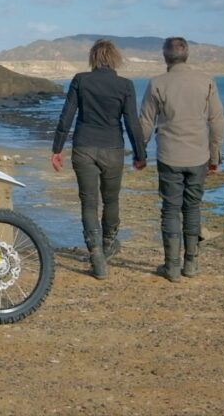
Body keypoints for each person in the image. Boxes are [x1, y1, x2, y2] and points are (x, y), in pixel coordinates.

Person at [51, 39, 146, 280]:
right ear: (115, 59)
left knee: (89, 202)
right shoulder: (125, 85)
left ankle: (95, 254)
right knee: (111, 199)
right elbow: (132, 122)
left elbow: (67, 116)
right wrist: (140, 154)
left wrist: (57, 149)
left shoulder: (80, 80)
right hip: (113, 149)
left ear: (93, 58)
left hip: (83, 148)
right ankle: (106, 246)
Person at [139, 37, 224, 282]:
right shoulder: (206, 81)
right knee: (193, 208)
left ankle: (172, 266)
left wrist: (140, 152)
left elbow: (146, 121)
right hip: (199, 155)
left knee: (170, 209)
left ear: (165, 57)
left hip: (169, 156)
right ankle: (191, 263)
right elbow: (217, 121)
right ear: (186, 55)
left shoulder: (157, 83)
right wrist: (215, 155)